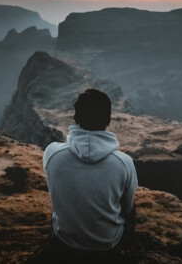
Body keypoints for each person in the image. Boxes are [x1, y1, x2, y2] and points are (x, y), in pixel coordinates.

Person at [40, 88, 138, 262]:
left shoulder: (52, 153)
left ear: (76, 118)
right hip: (106, 246)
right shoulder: (124, 163)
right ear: (108, 119)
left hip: (64, 242)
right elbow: (127, 207)